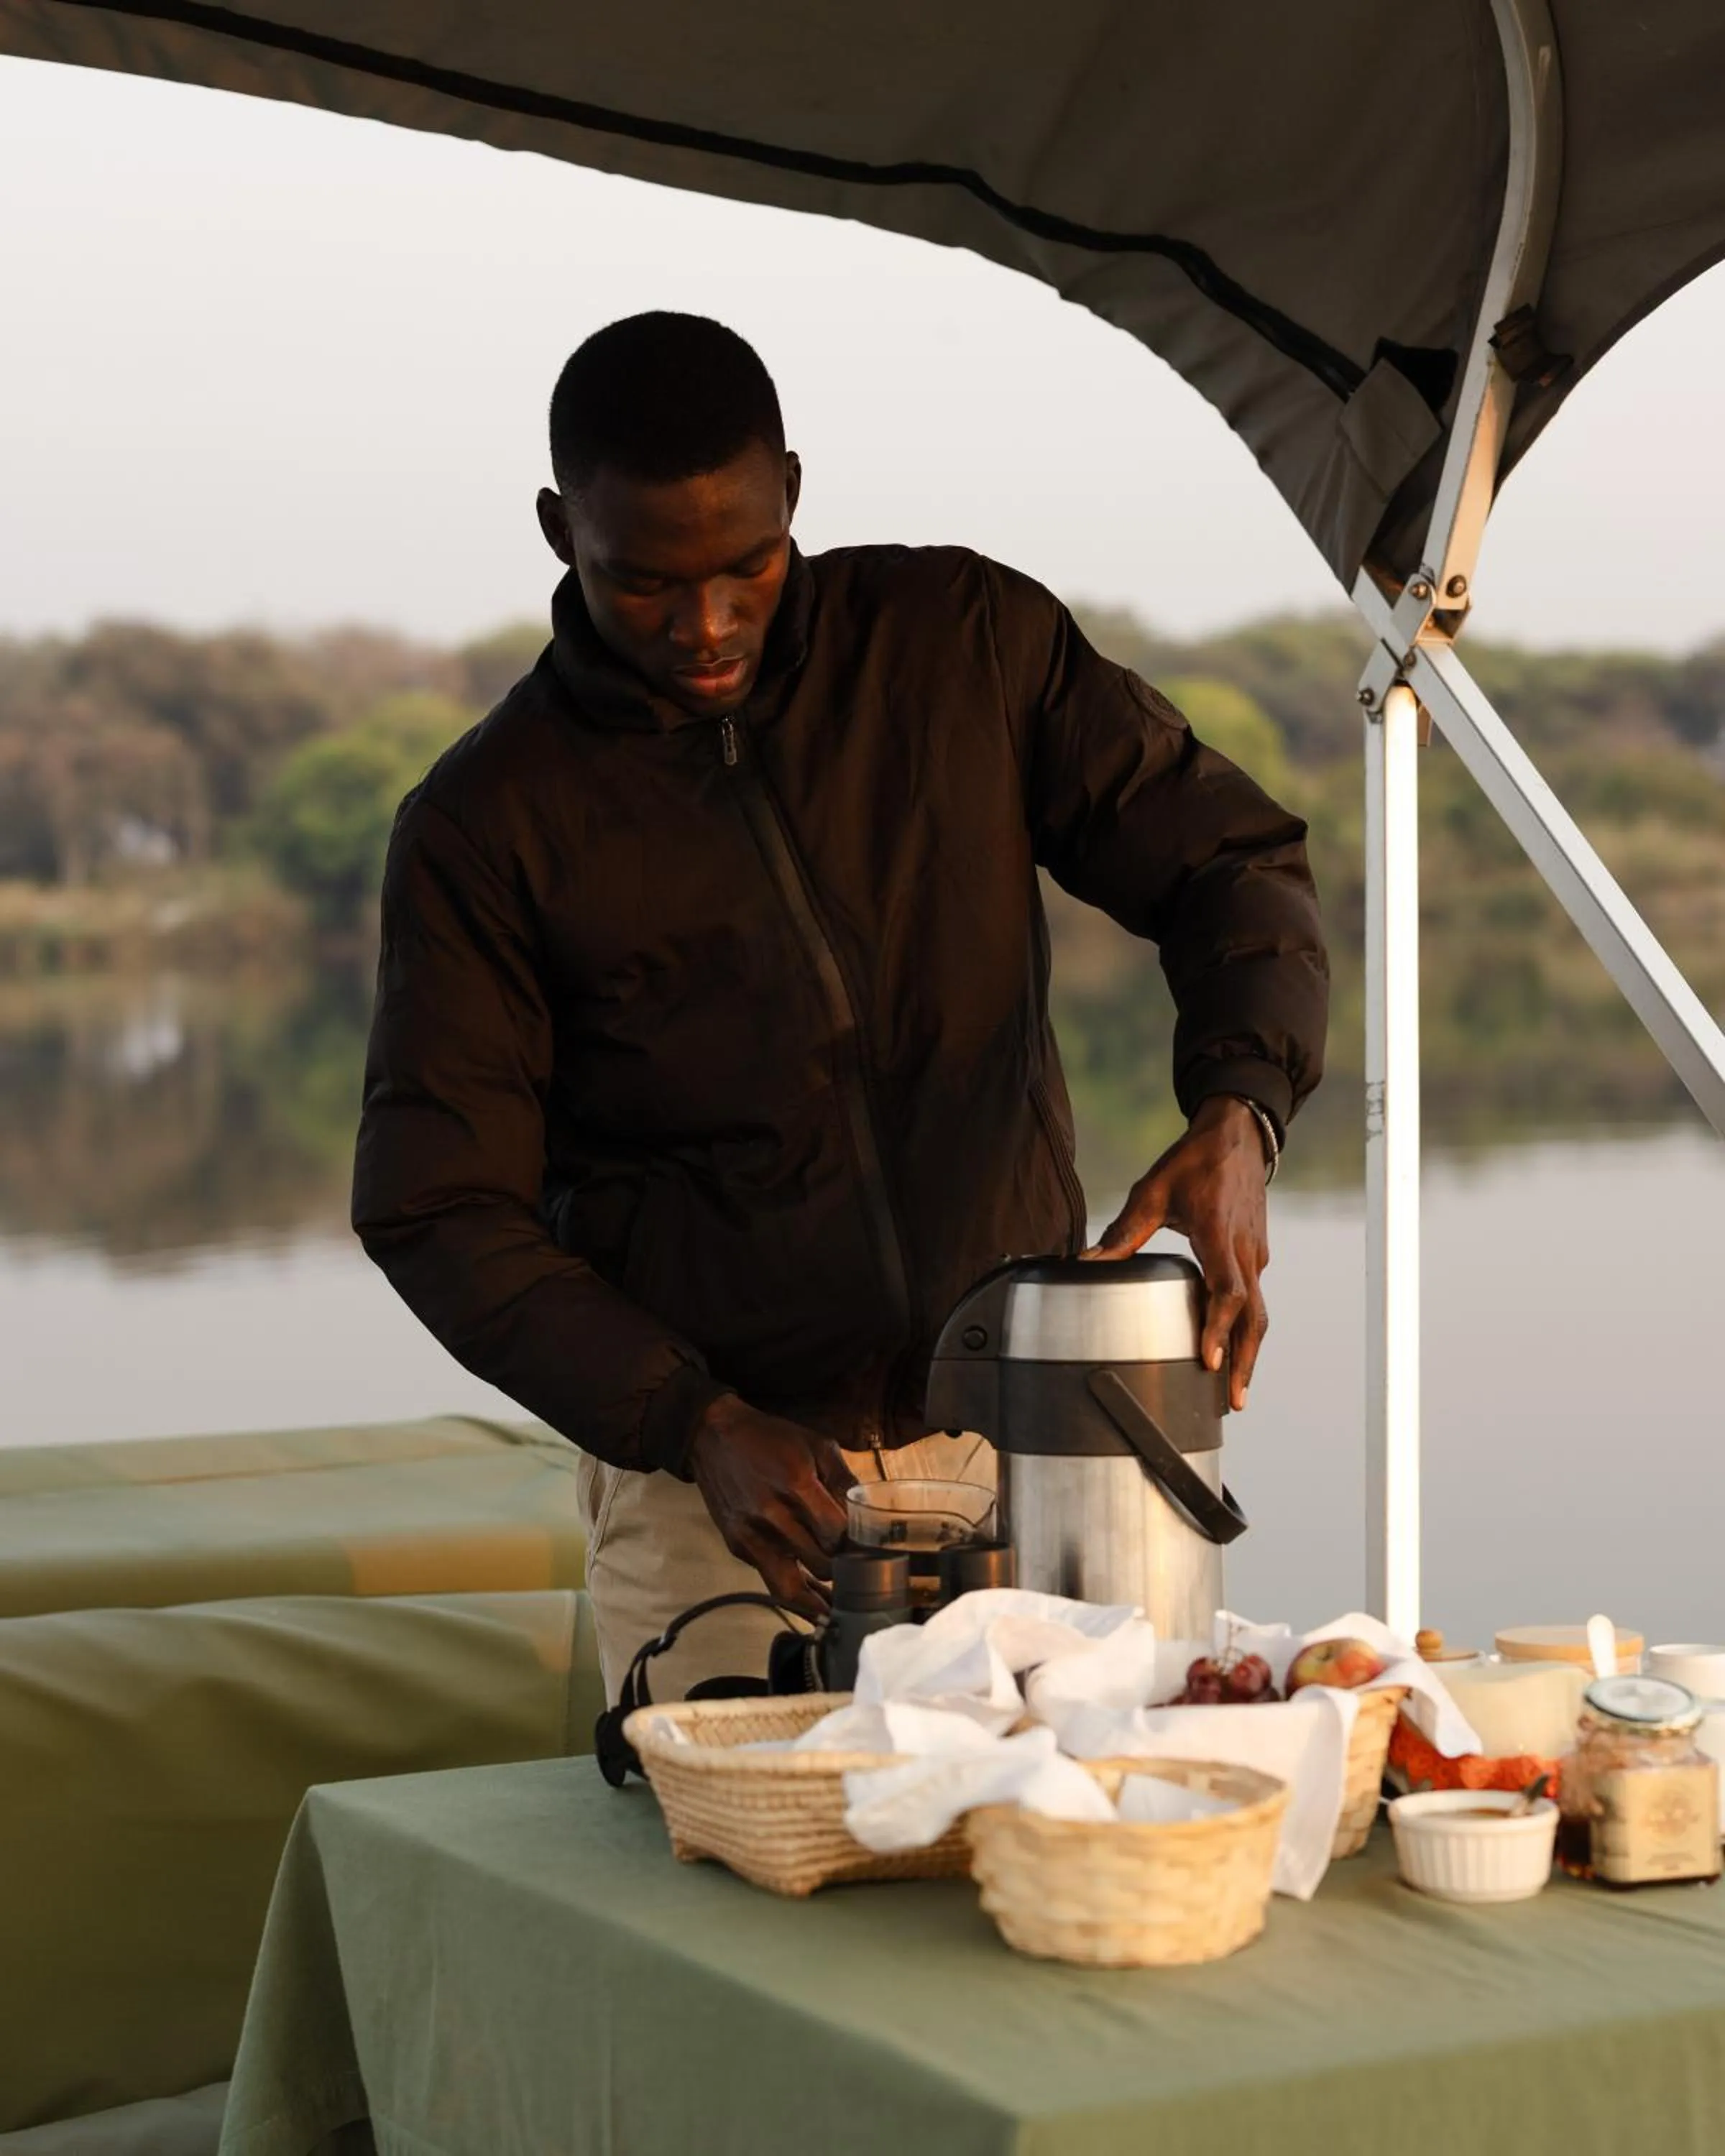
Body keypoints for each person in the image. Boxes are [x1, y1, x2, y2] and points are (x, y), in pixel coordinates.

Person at [353, 311, 1328, 1702]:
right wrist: (692, 1419)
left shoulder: (968, 645)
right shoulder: (484, 824)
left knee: (1061, 1874)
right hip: (727, 1505)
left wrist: (1244, 1108)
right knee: (736, 1894)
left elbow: (1231, 862)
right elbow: (436, 1208)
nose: (707, 624)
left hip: (1029, 1446)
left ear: (795, 491)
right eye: (645, 582)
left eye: (746, 564)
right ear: (559, 527)